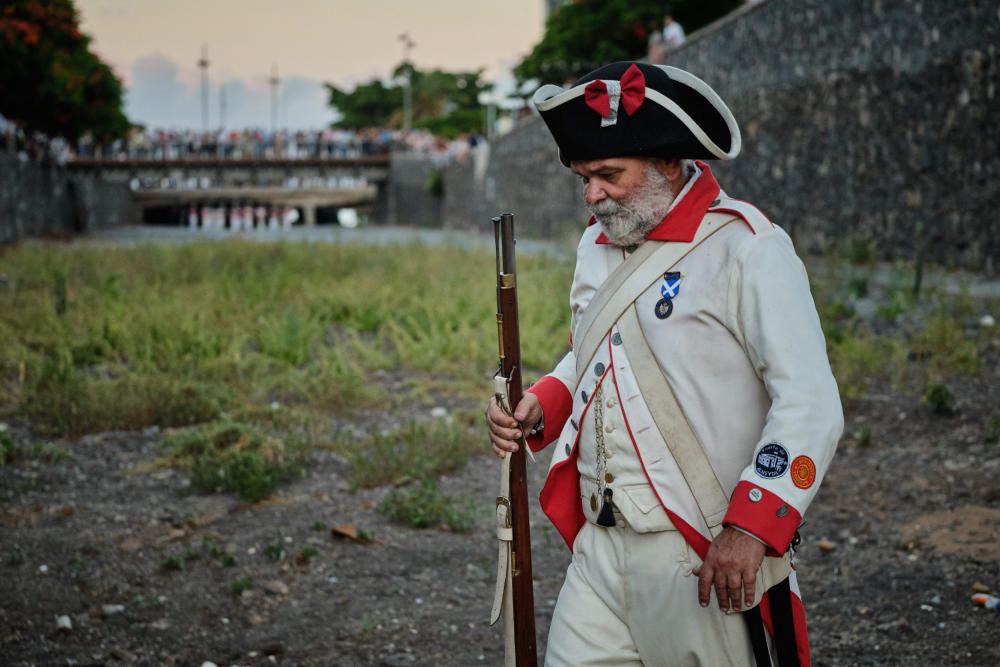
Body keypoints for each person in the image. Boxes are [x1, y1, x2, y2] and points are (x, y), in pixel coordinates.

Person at [485, 61, 842, 666]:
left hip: (700, 547)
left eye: (607, 175)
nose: (591, 195)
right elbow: (596, 352)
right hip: (599, 548)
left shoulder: (748, 247)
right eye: (583, 178)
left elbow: (810, 404)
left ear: (667, 165)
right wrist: (541, 404)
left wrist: (752, 527)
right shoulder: (596, 247)